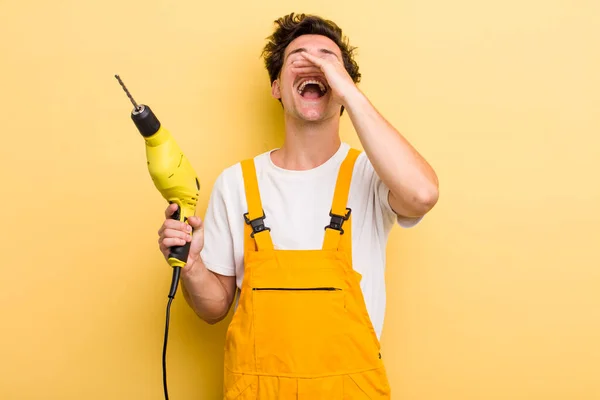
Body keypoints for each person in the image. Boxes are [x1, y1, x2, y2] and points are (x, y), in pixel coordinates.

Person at [157, 12, 439, 399]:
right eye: (299, 57)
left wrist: (347, 91)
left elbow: (422, 194)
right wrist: (191, 266)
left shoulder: (371, 175)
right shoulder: (237, 183)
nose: (314, 63)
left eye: (327, 58)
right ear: (276, 87)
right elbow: (213, 308)